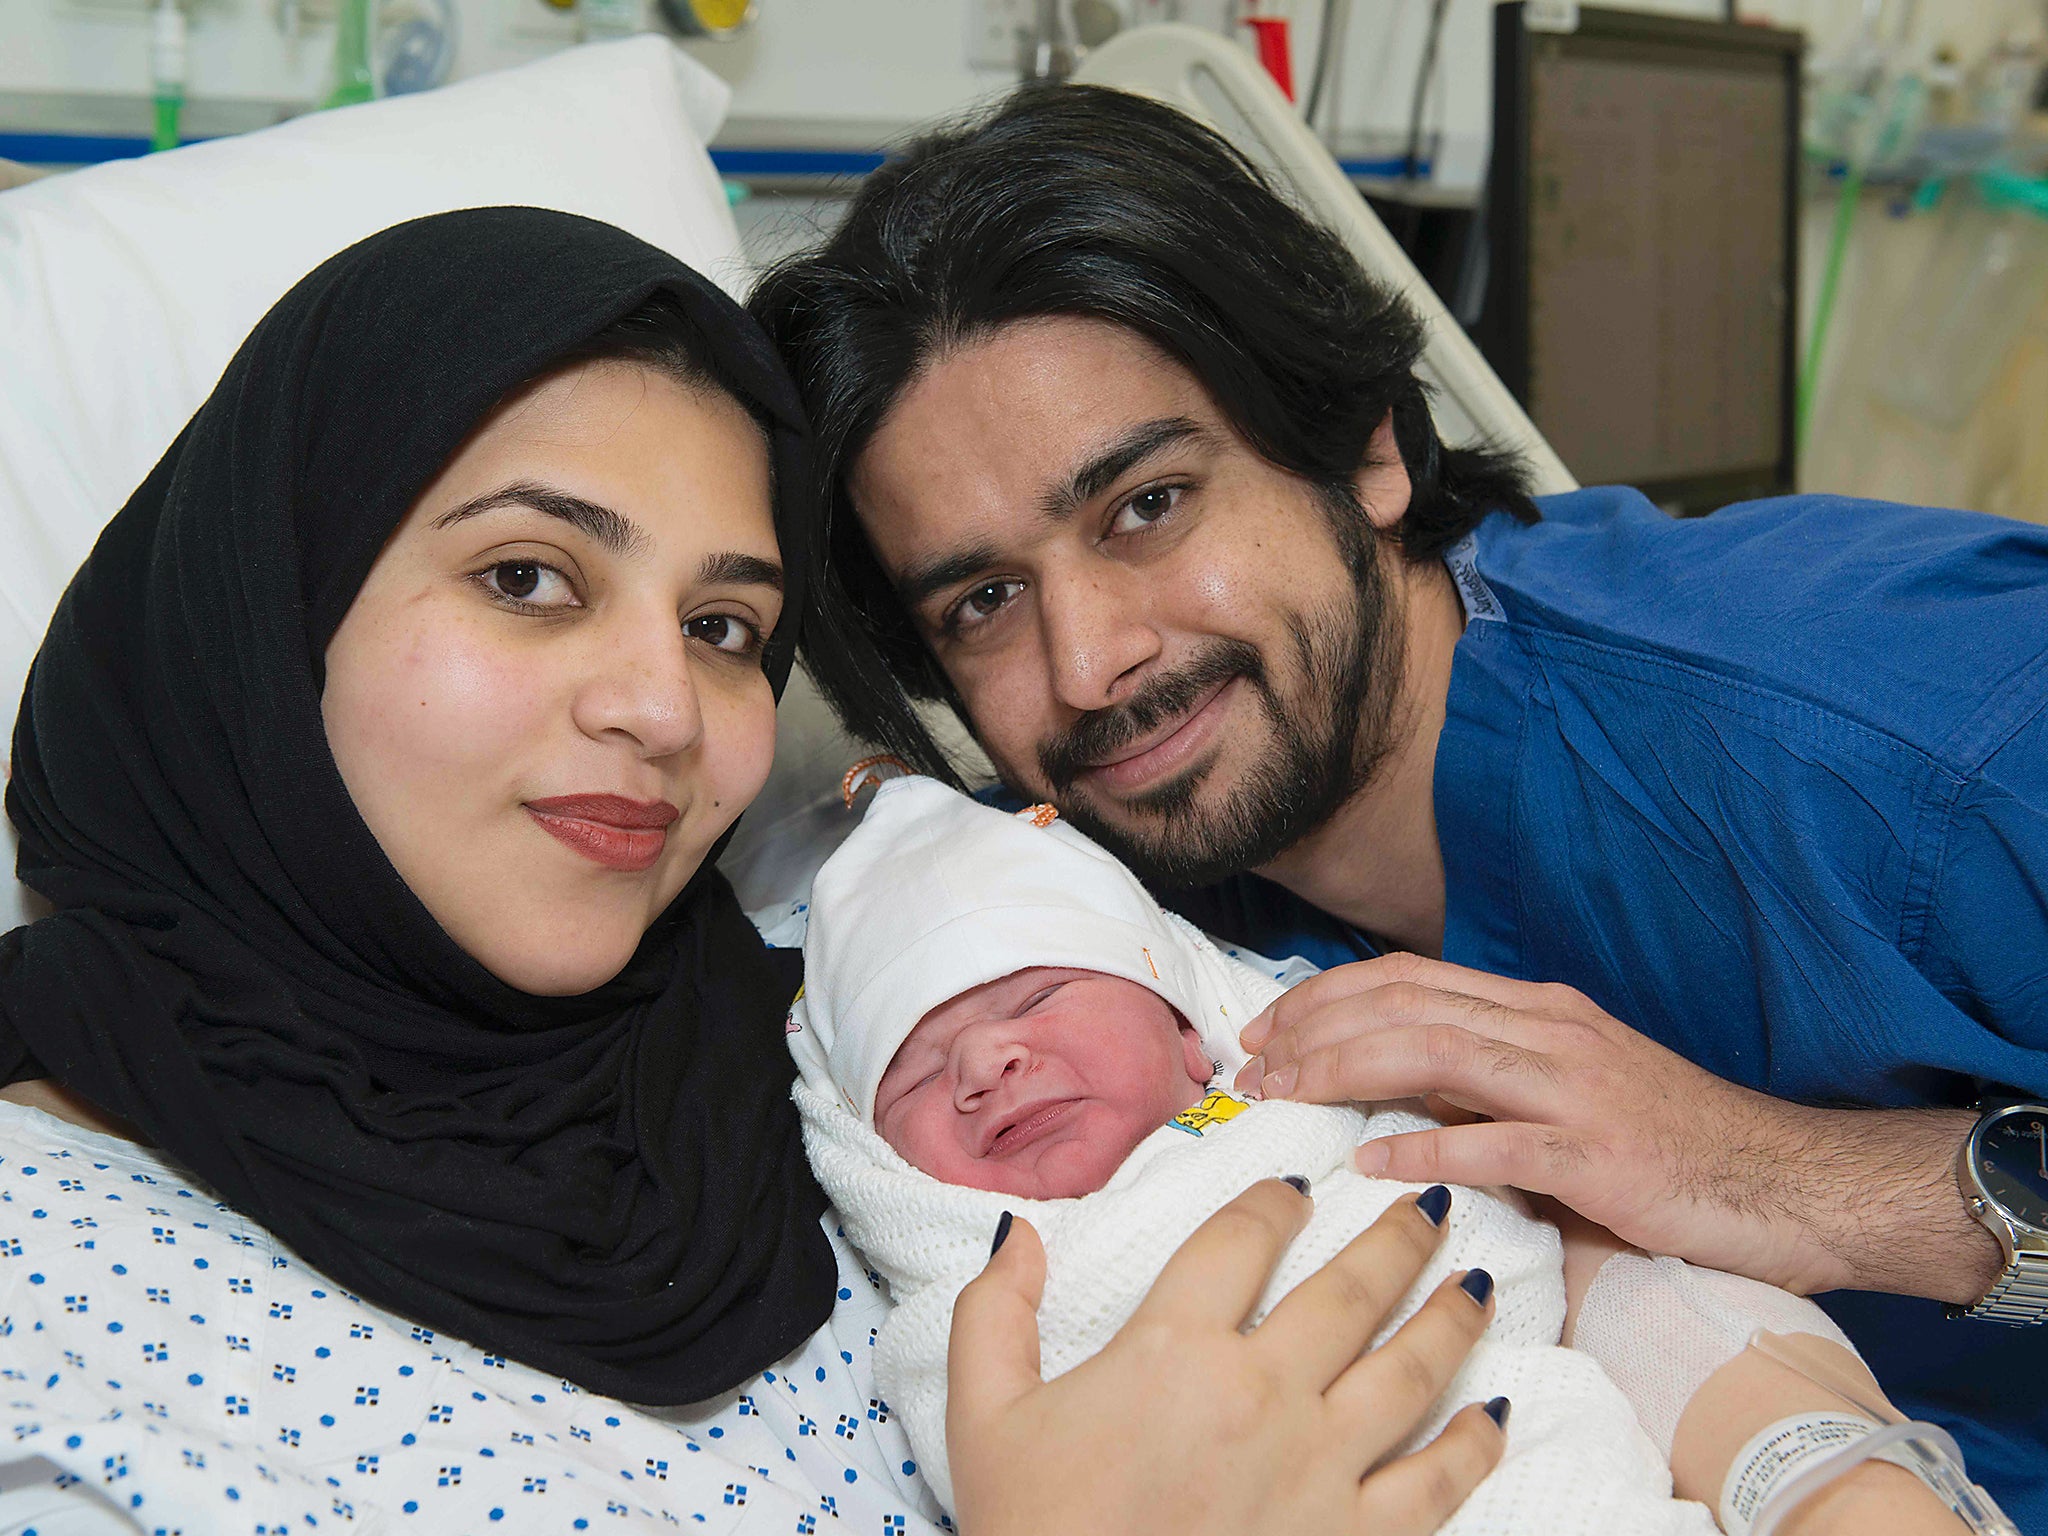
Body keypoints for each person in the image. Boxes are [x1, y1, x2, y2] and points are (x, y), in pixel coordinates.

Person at [0, 206, 1514, 1536]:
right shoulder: (49, 1296)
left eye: (724, 629)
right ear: (264, 619)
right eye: (528, 579)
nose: (663, 710)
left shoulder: (856, 1033)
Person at [748, 83, 2048, 1527]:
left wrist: (1791, 1177)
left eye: (1149, 506)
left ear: (1366, 448)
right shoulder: (1081, 903)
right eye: (984, 600)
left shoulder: (1909, 733)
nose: (1087, 661)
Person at [786, 771, 1972, 1536]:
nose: (986, 1059)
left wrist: (1812, 1471)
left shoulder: (1310, 1103)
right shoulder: (963, 1306)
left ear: (1184, 1019)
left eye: (1039, 992)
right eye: (914, 1064)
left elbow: (1563, 1263)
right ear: (880, 1168)